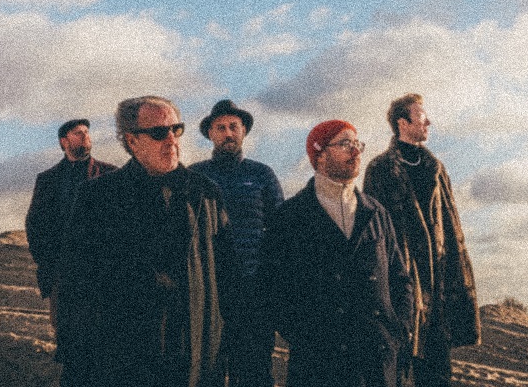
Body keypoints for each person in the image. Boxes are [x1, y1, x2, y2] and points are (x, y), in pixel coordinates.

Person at [57, 96, 237, 387]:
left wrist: (228, 355)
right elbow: (75, 288)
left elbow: (228, 281)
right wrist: (77, 365)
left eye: (176, 129)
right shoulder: (98, 198)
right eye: (158, 132)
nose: (171, 139)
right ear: (132, 141)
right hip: (124, 365)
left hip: (195, 363)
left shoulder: (206, 194)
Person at [259, 120, 411, 387]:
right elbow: (272, 290)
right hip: (318, 367)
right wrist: (305, 337)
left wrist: (396, 332)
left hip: (377, 364)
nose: (355, 150)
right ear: (319, 155)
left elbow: (400, 279)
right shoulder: (289, 217)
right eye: (344, 144)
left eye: (357, 143)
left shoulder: (376, 212)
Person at [363, 94, 480, 387]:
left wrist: (457, 279)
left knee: (438, 375)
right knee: (396, 373)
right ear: (402, 123)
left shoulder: (435, 168)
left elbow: (452, 226)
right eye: (422, 117)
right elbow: (373, 234)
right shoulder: (380, 169)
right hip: (401, 286)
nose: (429, 122)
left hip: (438, 286)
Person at [189, 100, 284, 387]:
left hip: (253, 290)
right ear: (210, 134)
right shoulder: (194, 176)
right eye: (220, 128)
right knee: (207, 370)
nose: (228, 133)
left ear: (244, 131)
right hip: (207, 289)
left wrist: (273, 280)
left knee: (254, 372)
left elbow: (280, 230)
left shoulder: (262, 175)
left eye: (233, 126)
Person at [23, 118, 117, 359]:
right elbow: (35, 225)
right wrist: (49, 263)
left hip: (102, 272)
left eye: (87, 132)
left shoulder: (110, 174)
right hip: (63, 274)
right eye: (78, 133)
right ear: (64, 141)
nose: (85, 136)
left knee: (105, 336)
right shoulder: (48, 179)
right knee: (67, 337)